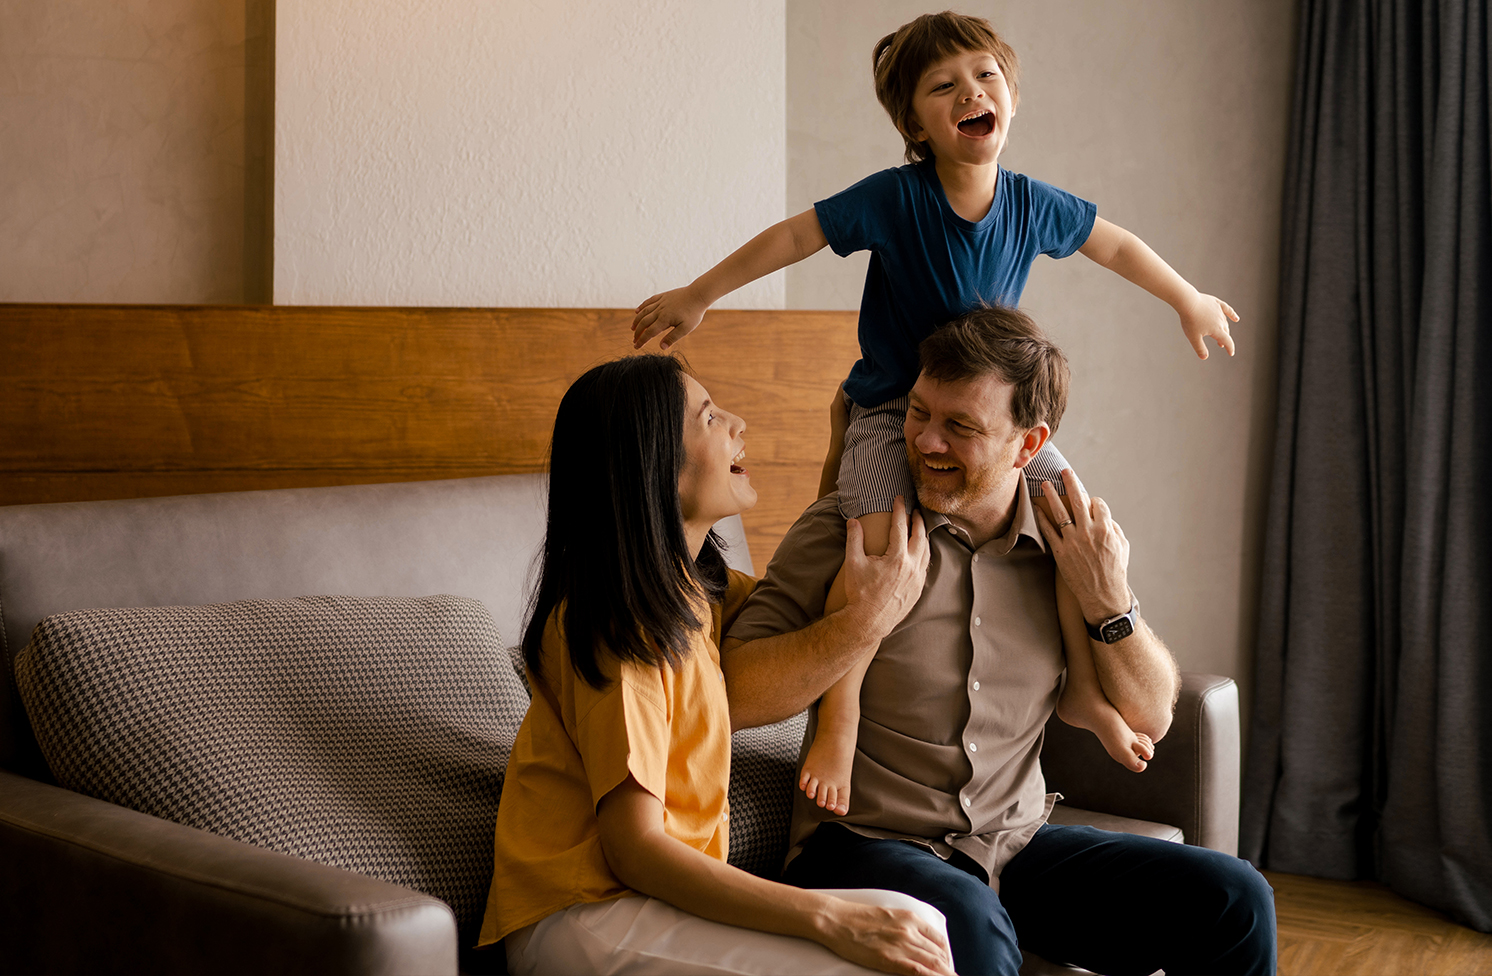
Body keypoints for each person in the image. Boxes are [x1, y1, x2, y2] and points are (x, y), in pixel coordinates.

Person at [632, 10, 1236, 813]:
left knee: (1069, 523)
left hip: (992, 413)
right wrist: (700, 294)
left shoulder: (1032, 204)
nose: (969, 93)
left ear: (1012, 95)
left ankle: (1085, 693)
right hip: (889, 408)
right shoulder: (895, 198)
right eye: (943, 86)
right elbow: (792, 238)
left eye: (985, 76)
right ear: (915, 122)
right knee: (873, 555)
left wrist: (1187, 299)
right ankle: (838, 720)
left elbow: (1116, 245)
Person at [723, 307, 1277, 975]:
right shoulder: (852, 534)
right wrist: (859, 622)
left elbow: (1151, 714)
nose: (926, 441)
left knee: (1235, 898)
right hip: (863, 844)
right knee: (966, 919)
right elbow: (734, 694)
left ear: (1027, 443)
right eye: (919, 413)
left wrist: (1110, 600)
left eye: (960, 427)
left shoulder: (1066, 547)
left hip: (1013, 846)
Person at [476, 354, 956, 976]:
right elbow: (635, 849)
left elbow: (810, 606)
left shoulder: (700, 596)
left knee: (920, 921)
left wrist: (849, 453)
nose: (738, 424)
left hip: (651, 905)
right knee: (876, 963)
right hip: (582, 916)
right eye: (709, 418)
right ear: (656, 466)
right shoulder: (618, 626)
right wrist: (830, 918)